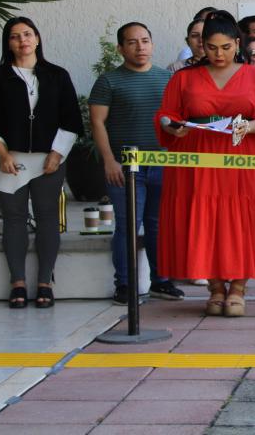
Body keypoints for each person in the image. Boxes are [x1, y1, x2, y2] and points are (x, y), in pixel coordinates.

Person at [156, 10, 255, 317]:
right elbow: (166, 114)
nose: (219, 54)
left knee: (244, 220)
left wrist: (251, 127)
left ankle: (239, 288)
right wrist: (172, 126)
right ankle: (215, 287)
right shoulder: (183, 78)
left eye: (226, 47)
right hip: (198, 155)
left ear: (238, 44)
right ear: (201, 45)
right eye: (212, 47)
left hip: (245, 155)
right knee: (205, 220)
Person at [88, 22, 184, 305]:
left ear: (152, 45)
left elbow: (174, 119)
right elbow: (97, 122)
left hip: (163, 163)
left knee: (158, 225)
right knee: (128, 224)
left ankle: (161, 281)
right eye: (132, 42)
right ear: (120, 48)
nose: (140, 47)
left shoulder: (168, 79)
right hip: (125, 167)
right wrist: (109, 161)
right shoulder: (108, 81)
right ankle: (125, 285)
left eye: (145, 40)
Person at [0, 17, 82, 309]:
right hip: (8, 159)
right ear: (8, 43)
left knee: (47, 217)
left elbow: (71, 119)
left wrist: (57, 154)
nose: (23, 40)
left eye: (28, 34)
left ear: (38, 38)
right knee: (14, 218)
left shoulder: (57, 75)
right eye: (15, 36)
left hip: (49, 159)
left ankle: (45, 282)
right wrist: (3, 155)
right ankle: (17, 282)